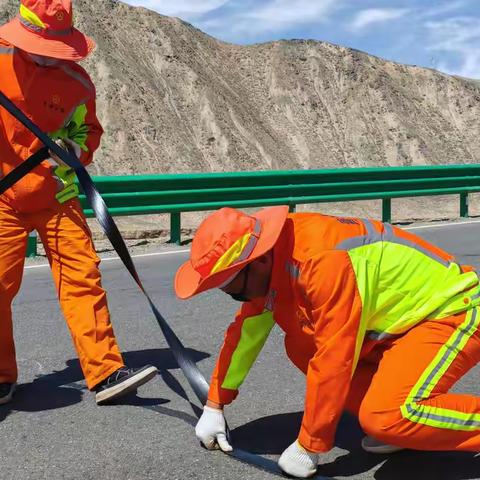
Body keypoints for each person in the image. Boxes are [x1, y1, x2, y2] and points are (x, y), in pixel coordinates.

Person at [174, 205, 480, 478]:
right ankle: (401, 431)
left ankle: (396, 423)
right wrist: (215, 404)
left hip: (450, 310)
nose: (234, 297)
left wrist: (309, 445)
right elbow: (247, 333)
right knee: (301, 345)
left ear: (260, 261)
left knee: (389, 415)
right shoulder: (271, 261)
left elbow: (335, 357)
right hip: (395, 327)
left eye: (232, 288)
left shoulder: (321, 261)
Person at [0, 0, 157, 406]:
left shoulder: (79, 83)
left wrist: (75, 150)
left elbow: (89, 132)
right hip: (3, 200)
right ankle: (1, 375)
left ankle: (105, 372)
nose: (46, 56)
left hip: (58, 196)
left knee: (82, 279)